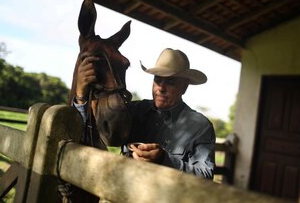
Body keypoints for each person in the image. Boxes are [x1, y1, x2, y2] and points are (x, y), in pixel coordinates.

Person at [74, 48, 215, 179]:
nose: (161, 88)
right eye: (157, 80)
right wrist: (81, 95)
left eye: (170, 82)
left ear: (184, 87)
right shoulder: (133, 111)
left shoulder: (200, 127)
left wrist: (164, 159)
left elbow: (206, 175)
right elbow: (90, 132)